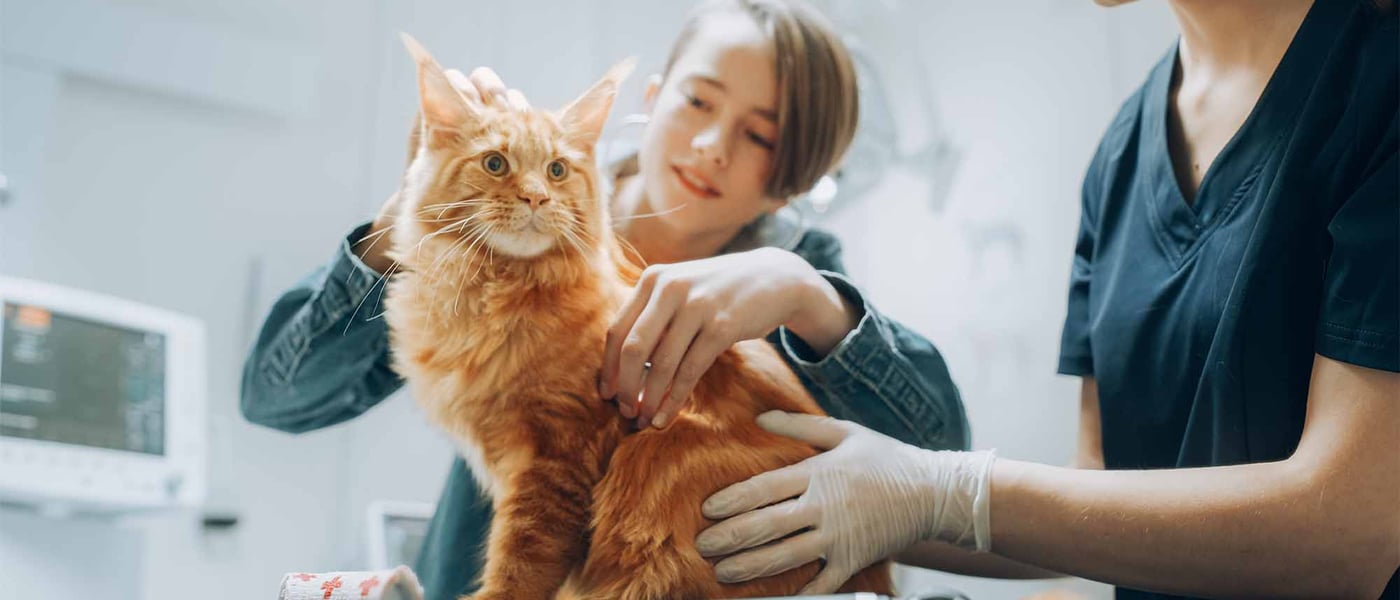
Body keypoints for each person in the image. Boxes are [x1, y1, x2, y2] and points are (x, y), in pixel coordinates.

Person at [239, 1, 970, 599]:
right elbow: (276, 396)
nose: (713, 144)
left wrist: (809, 299)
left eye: (759, 135)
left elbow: (947, 479)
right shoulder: (494, 226)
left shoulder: (803, 293)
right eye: (698, 101)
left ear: (800, 176)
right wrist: (410, 220)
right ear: (652, 100)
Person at [695, 0, 1399, 597]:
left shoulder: (1378, 88)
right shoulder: (1123, 151)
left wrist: (933, 492)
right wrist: (871, 500)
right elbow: (1094, 494)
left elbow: (1351, 531)